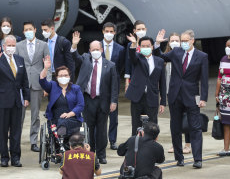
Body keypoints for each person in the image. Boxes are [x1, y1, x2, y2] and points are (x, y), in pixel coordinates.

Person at [154, 29, 208, 169]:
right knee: (175, 127)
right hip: (175, 95)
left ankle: (198, 159)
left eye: (185, 41)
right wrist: (157, 44)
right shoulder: (176, 52)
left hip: (192, 95)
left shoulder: (202, 56)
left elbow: (204, 79)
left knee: (195, 128)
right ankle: (179, 158)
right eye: (181, 41)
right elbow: (160, 56)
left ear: (192, 41)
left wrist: (203, 98)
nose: (183, 43)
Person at [71, 32, 118, 164]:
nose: (96, 51)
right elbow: (75, 57)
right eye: (93, 50)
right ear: (90, 51)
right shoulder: (86, 59)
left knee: (102, 129)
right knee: (88, 128)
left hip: (103, 100)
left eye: (98, 49)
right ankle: (90, 153)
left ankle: (101, 155)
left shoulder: (110, 65)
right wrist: (74, 45)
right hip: (87, 99)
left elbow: (114, 86)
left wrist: (113, 101)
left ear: (102, 50)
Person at [0, 35, 30, 167]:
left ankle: (16, 157)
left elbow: (24, 80)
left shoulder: (19, 59)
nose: (11, 47)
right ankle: (4, 157)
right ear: (3, 46)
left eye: (13, 45)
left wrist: (26, 97)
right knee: (3, 131)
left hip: (17, 101)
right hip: (2, 101)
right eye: (9, 45)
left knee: (16, 131)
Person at [15, 21, 51, 152]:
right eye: (26, 29)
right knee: (20, 114)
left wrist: (47, 85)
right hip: (22, 84)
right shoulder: (19, 46)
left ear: (35, 30)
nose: (28, 31)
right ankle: (15, 139)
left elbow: (48, 65)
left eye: (30, 29)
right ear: (23, 32)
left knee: (35, 115)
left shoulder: (43, 45)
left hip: (37, 83)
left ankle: (33, 141)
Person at [125, 35, 166, 135]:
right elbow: (132, 56)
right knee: (136, 124)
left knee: (152, 124)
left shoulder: (159, 61)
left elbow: (162, 82)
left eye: (148, 46)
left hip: (152, 96)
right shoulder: (138, 58)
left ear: (152, 47)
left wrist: (163, 101)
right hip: (137, 96)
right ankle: (136, 146)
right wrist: (134, 44)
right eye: (143, 46)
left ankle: (151, 146)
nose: (146, 48)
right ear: (140, 47)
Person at [39, 60, 85, 138]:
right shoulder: (52, 86)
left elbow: (80, 105)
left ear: (69, 76)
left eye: (66, 75)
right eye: (60, 76)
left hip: (72, 118)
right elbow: (42, 81)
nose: (63, 77)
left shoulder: (76, 88)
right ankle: (60, 137)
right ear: (56, 77)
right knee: (60, 121)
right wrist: (46, 68)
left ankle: (60, 138)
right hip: (55, 119)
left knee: (63, 121)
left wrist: (69, 114)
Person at [165, 33, 191, 154]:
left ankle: (188, 144)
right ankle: (176, 144)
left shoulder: (183, 55)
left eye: (177, 40)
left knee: (187, 118)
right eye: (172, 40)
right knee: (174, 120)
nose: (174, 42)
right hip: (171, 92)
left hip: (185, 92)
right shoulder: (166, 57)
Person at [101, 22, 125, 150]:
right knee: (101, 115)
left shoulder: (120, 49)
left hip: (113, 84)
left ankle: (112, 140)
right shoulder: (97, 47)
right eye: (107, 31)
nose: (109, 34)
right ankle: (101, 139)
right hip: (99, 84)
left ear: (115, 33)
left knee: (113, 115)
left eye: (111, 31)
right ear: (103, 31)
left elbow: (120, 66)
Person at [124, 20, 148, 93]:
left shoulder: (150, 44)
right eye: (139, 29)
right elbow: (128, 64)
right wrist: (127, 83)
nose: (141, 31)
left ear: (146, 29)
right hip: (135, 78)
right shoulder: (130, 45)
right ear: (134, 30)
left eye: (143, 29)